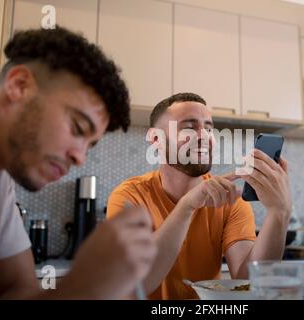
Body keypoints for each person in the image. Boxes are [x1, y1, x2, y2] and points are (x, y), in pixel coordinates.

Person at [0, 26, 157, 300]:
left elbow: (18, 289)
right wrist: (82, 284)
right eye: (77, 127)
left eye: (89, 144)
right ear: (19, 86)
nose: (80, 158)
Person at [107, 92, 293, 299]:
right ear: (156, 139)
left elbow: (249, 280)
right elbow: (134, 284)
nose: (204, 136)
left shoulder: (230, 201)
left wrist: (279, 213)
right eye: (189, 127)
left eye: (208, 128)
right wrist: (187, 206)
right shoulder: (129, 197)